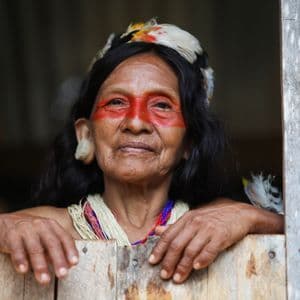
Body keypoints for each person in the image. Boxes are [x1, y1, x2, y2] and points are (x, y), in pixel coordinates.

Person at [0, 19, 283, 286]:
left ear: (189, 143)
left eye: (161, 105)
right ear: (86, 134)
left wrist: (256, 218)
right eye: (117, 102)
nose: (136, 123)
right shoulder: (45, 227)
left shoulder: (218, 223)